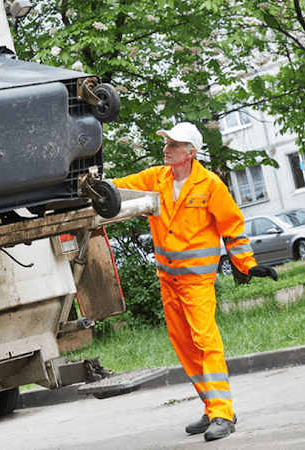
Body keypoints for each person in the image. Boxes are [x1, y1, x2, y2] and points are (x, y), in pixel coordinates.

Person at [111, 122, 278, 441]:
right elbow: (117, 187)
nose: (166, 148)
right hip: (168, 281)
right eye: (166, 142)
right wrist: (87, 186)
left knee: (205, 341)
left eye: (174, 144)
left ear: (191, 152)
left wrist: (248, 264)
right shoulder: (155, 179)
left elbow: (232, 227)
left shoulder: (210, 185)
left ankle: (223, 413)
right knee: (185, 345)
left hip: (197, 283)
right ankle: (211, 406)